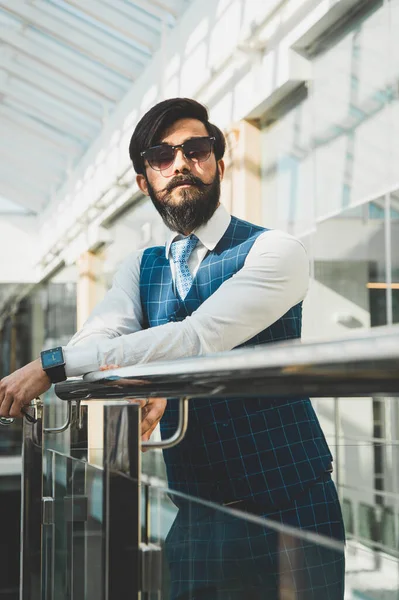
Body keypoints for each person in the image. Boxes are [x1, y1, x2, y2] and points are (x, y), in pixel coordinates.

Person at [0, 98, 345, 599]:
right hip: (197, 508)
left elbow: (198, 338)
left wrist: (52, 365)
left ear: (219, 164)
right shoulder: (142, 268)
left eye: (196, 148)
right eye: (161, 156)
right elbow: (98, 336)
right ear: (146, 182)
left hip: (291, 506)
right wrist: (141, 383)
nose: (180, 162)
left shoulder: (277, 251)